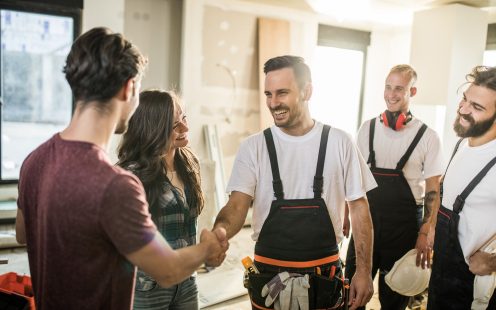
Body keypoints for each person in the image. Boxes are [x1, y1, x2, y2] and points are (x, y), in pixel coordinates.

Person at [15, 27, 227, 309]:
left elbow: (23, 234)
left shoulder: (34, 161)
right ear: (129, 88)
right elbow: (168, 271)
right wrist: (207, 249)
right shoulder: (116, 185)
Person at [213, 55, 376, 310]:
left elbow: (359, 208)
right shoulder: (253, 147)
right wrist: (219, 233)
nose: (273, 102)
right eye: (268, 94)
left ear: (307, 91)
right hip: (268, 279)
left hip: (325, 278)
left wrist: (363, 271)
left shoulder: (339, 142)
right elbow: (236, 205)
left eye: (282, 93)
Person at [344, 64, 443, 310]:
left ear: (413, 91)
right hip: (366, 222)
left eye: (399, 88)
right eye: (388, 87)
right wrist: (345, 214)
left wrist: (426, 232)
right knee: (351, 295)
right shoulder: (367, 129)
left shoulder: (428, 136)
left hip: (404, 230)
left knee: (394, 298)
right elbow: (352, 176)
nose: (391, 94)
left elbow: (433, 189)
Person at [117, 90, 205, 309]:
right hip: (147, 287)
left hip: (186, 280)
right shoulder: (130, 176)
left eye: (184, 118)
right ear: (154, 129)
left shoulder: (189, 164)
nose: (185, 128)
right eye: (175, 125)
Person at [427, 65, 496, 309]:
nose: (463, 110)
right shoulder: (462, 144)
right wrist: (432, 227)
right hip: (442, 277)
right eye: (465, 100)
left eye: (477, 108)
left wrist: (495, 261)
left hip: (474, 288)